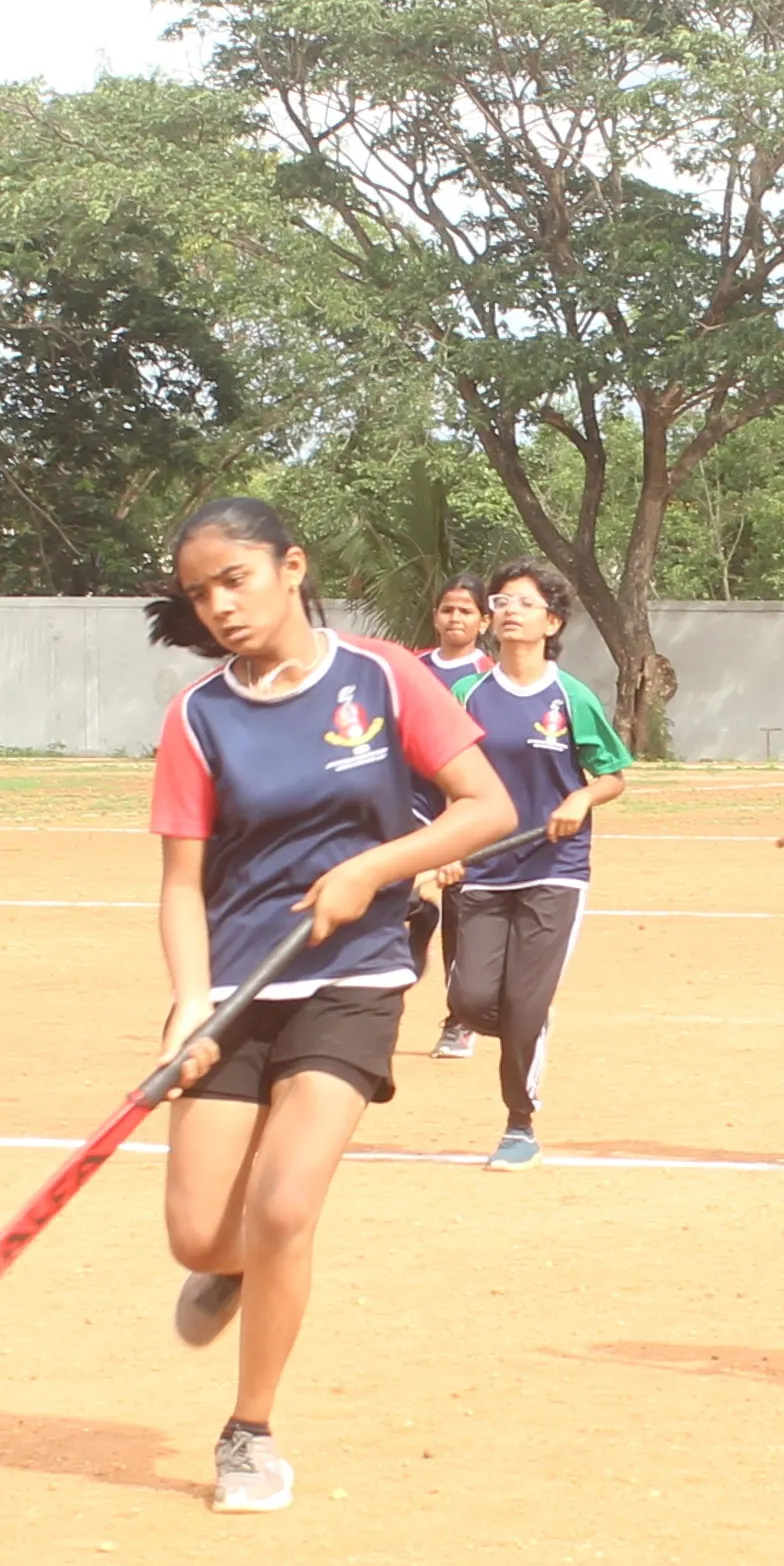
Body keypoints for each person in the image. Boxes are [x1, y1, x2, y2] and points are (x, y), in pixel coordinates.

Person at [145, 496, 519, 1513]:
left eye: (236, 579)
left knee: (284, 1204)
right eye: (200, 592)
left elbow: (489, 806)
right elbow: (182, 883)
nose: (221, 605)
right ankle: (236, 1270)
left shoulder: (384, 677)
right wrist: (187, 1004)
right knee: (198, 1235)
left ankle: (249, 1432)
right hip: (235, 983)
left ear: (291, 566)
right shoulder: (197, 717)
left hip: (353, 974)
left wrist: (373, 872)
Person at [439, 559, 633, 1168]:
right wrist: (446, 849)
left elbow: (612, 776)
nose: (508, 610)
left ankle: (519, 1124)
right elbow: (448, 781)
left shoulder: (570, 697)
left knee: (524, 1005)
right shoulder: (466, 694)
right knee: (470, 1001)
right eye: (501, 601)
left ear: (552, 621)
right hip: (485, 870)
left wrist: (579, 797)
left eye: (524, 603)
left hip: (555, 868)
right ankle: (526, 1024)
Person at [408, 575, 489, 1053]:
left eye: (465, 611)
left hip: (461, 808)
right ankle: (419, 914)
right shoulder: (413, 668)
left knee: (461, 910)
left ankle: (459, 1018)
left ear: (483, 620)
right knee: (387, 890)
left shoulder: (487, 676)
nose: (455, 618)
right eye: (447, 609)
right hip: (410, 802)